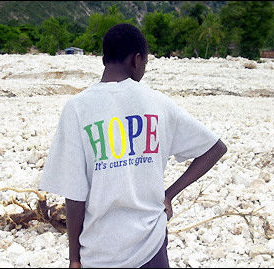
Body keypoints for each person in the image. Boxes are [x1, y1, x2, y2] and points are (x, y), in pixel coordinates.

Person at [39, 23, 227, 268]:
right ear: (137, 60)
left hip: (100, 252)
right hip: (151, 245)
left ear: (105, 58)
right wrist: (168, 195)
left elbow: (74, 196)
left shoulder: (77, 108)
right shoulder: (158, 103)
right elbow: (215, 148)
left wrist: (74, 258)